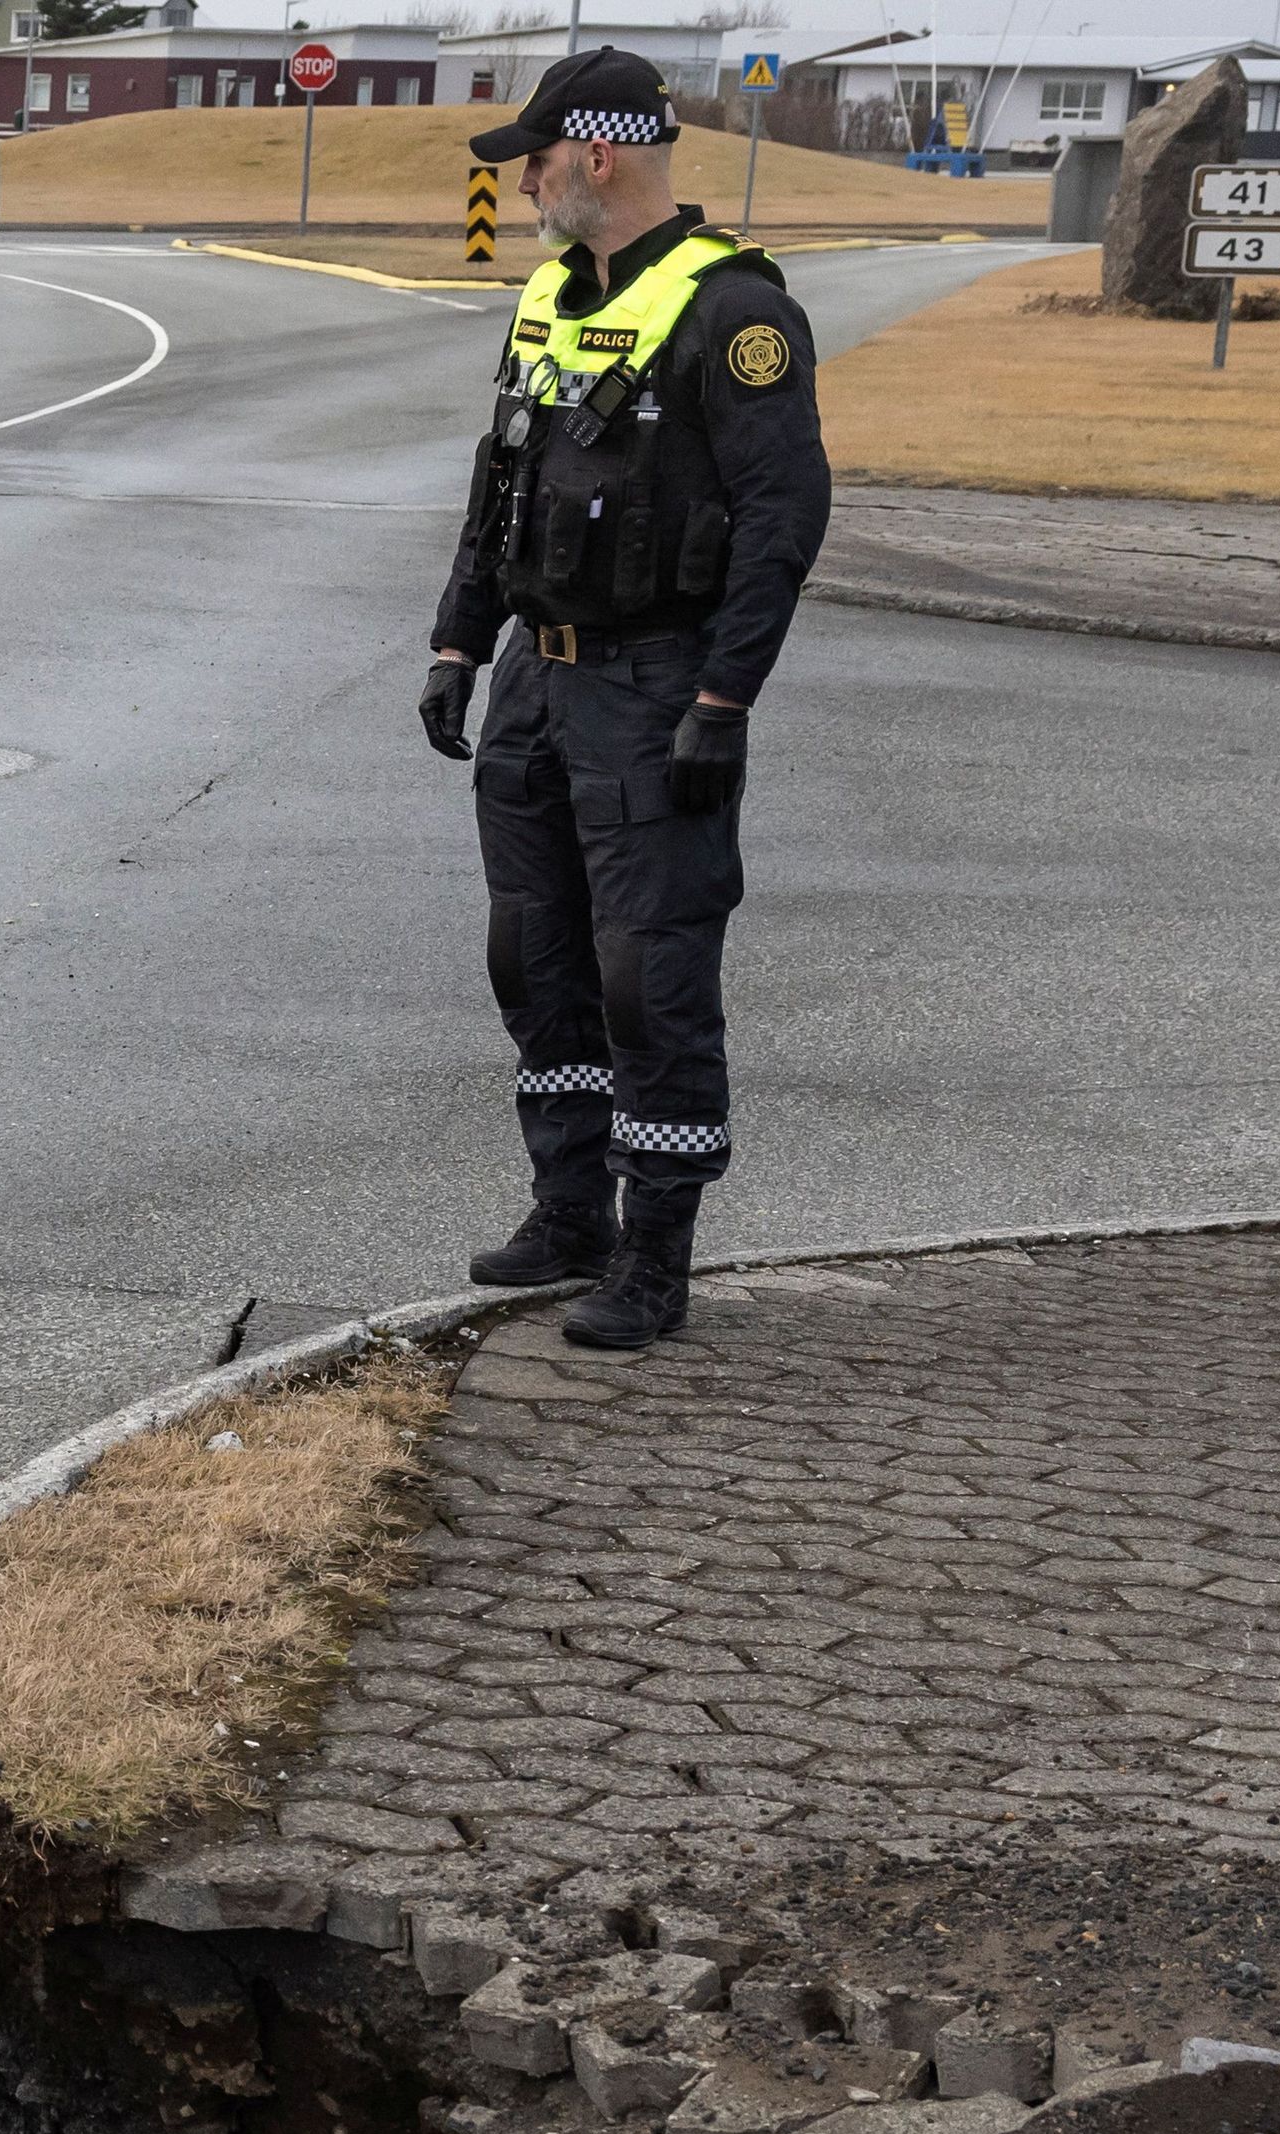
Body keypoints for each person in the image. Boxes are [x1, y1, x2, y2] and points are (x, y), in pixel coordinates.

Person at [417, 47, 833, 1351]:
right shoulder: (550, 295)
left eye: (532, 161)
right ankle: (568, 1211)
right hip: (539, 681)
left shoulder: (735, 311)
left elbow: (784, 514)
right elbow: (504, 485)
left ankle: (654, 1258)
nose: (524, 186)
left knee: (649, 975)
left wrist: (726, 695)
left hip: (658, 685)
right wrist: (457, 645)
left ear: (594, 153)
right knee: (534, 958)